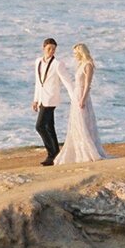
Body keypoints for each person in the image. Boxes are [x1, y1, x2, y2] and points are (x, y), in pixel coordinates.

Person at [55, 42, 109, 164]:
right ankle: (80, 149)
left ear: (81, 52)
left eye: (75, 53)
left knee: (84, 123)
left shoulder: (88, 65)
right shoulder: (80, 65)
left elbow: (87, 85)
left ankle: (89, 151)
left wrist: (83, 99)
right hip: (76, 94)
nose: (74, 56)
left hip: (82, 96)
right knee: (77, 124)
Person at [32, 37, 63, 165]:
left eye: (54, 49)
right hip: (42, 99)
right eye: (49, 48)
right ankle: (56, 154)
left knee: (39, 126)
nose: (51, 51)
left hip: (51, 99)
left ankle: (51, 154)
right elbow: (38, 83)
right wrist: (35, 99)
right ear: (43, 48)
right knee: (49, 127)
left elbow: (66, 81)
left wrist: (75, 96)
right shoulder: (38, 62)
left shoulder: (57, 64)